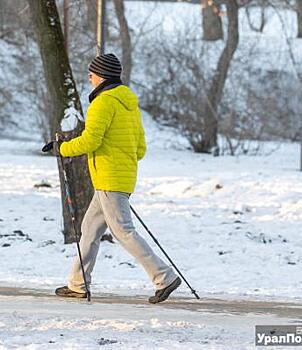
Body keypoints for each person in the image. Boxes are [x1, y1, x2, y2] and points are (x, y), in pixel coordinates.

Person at [43, 53, 181, 304]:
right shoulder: (129, 103)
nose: (89, 77)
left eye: (92, 73)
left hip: (108, 178)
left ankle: (164, 277)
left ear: (102, 75)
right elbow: (140, 149)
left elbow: (91, 140)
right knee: (90, 230)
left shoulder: (103, 103)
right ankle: (77, 284)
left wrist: (61, 148)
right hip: (120, 177)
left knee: (124, 232)